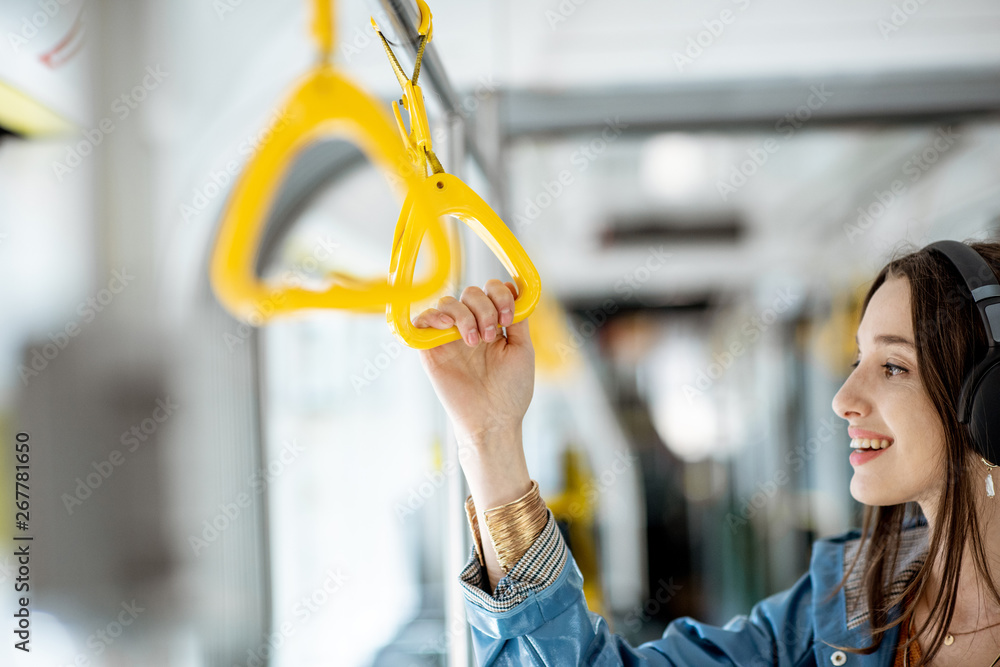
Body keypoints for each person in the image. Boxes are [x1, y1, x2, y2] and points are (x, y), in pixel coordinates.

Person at [412, 239, 1000, 666]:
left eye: (893, 366)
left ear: (992, 402)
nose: (843, 398)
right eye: (855, 363)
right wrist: (489, 435)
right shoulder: (833, 611)